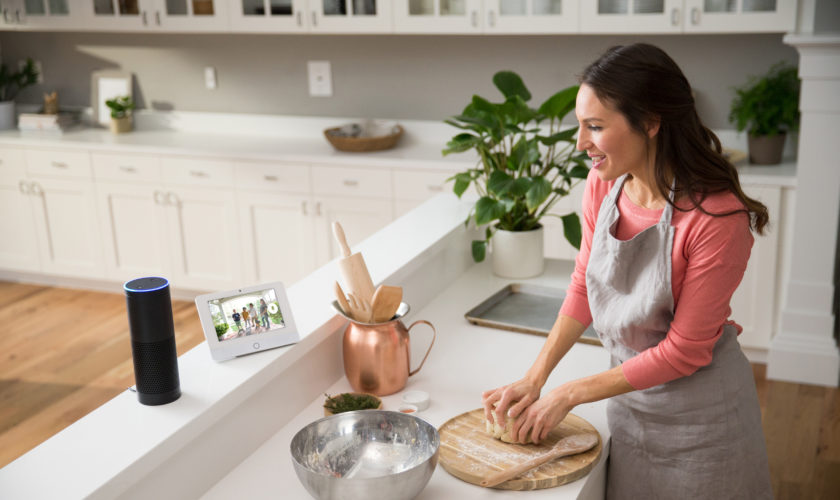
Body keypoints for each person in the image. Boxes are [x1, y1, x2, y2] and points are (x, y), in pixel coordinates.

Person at [482, 43, 772, 499]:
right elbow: (583, 285)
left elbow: (684, 352)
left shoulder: (717, 218)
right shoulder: (604, 185)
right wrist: (535, 379)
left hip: (703, 425)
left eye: (595, 127)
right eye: (581, 126)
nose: (581, 144)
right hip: (628, 404)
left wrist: (568, 393)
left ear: (651, 123)